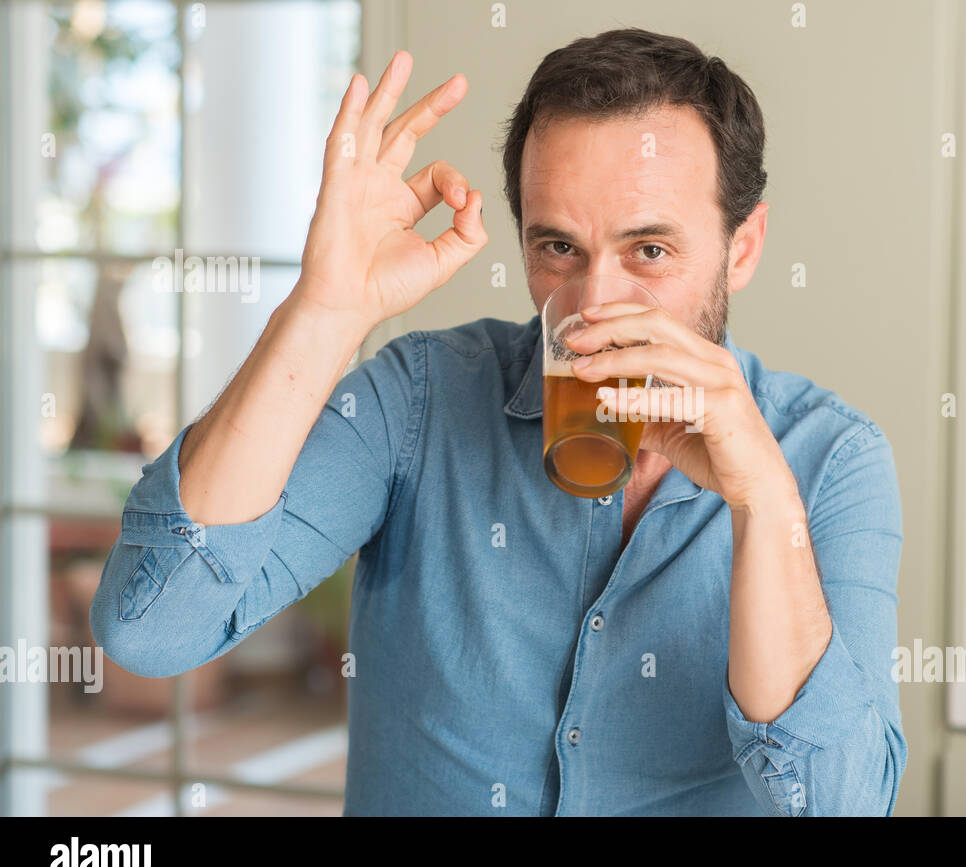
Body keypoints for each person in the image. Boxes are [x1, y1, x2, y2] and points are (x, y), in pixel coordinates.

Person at [90, 28, 906, 816]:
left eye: (649, 251)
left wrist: (762, 503)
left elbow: (839, 804)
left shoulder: (830, 460)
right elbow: (152, 627)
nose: (594, 306)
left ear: (744, 247)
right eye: (558, 247)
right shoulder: (421, 399)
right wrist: (325, 309)